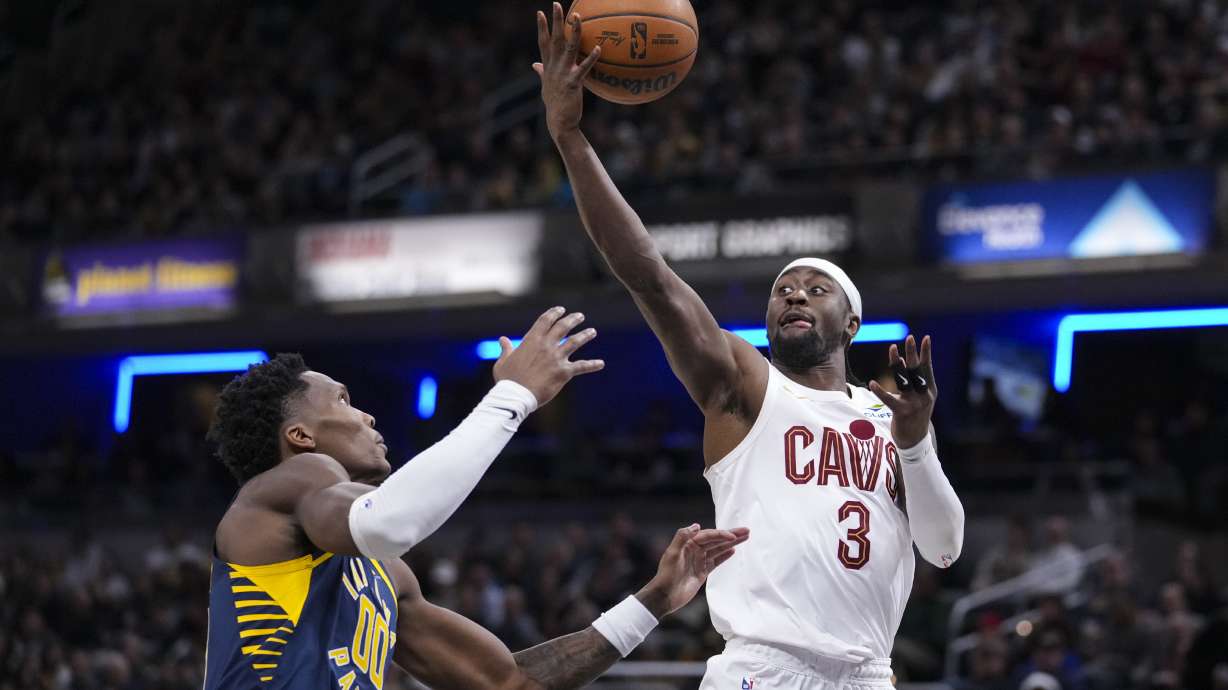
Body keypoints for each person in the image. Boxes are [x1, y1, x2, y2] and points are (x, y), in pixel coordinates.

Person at [532, 5, 964, 688]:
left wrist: (915, 443)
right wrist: (570, 137)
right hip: (765, 669)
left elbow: (943, 550)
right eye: (782, 289)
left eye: (815, 289)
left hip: (869, 675)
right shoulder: (745, 384)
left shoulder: (895, 420)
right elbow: (650, 276)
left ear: (852, 323)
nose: (794, 295)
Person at [202, 306, 749, 689]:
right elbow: (389, 523)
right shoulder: (287, 483)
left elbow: (509, 682)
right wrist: (513, 396)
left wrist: (652, 602)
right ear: (300, 436)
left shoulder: (387, 577)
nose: (366, 415)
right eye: (343, 401)